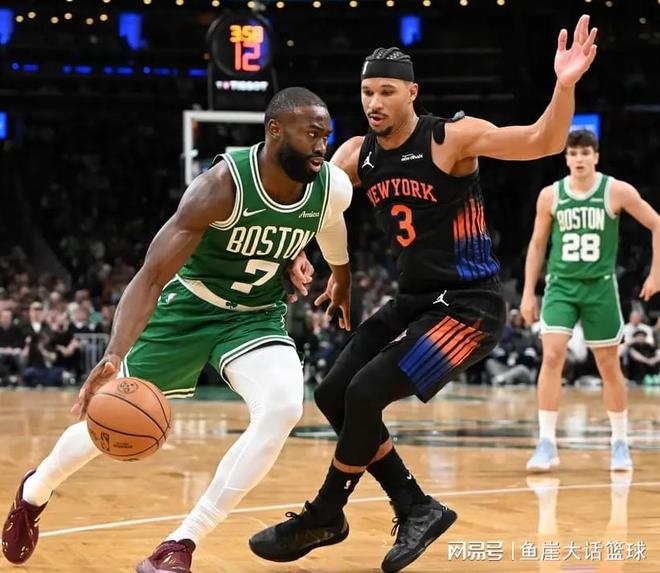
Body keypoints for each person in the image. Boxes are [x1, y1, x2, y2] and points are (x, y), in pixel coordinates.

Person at [249, 14, 598, 573]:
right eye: (367, 91)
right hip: (414, 300)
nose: (375, 102)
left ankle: (325, 513)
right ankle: (416, 506)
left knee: (365, 394)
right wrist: (312, 259)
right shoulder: (355, 154)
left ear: (412, 93)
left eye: (387, 91)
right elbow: (314, 204)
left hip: (470, 306)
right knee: (334, 394)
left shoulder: (449, 138)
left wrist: (564, 84)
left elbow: (544, 140)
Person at [1, 87, 353, 573]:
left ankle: (180, 543)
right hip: (188, 308)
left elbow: (329, 223)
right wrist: (113, 355)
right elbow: (150, 276)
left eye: (326, 136)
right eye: (311, 134)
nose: (321, 145)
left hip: (254, 315)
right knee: (107, 418)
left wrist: (338, 274)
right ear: (275, 131)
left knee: (283, 407)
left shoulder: (331, 186)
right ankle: (34, 491)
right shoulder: (219, 188)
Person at [521, 129, 659, 473]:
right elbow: (537, 245)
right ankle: (546, 443)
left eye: (585, 153)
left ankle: (620, 441)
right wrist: (527, 292)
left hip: (600, 287)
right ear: (566, 158)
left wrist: (656, 274)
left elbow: (657, 224)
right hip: (561, 285)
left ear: (596, 156)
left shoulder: (616, 191)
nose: (579, 159)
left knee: (608, 365)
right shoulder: (550, 195)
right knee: (552, 355)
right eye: (573, 153)